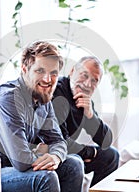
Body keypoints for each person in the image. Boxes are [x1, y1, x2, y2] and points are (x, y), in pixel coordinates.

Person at [0, 41, 84, 192]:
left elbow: (58, 141)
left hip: (11, 167)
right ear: (24, 69)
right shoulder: (9, 98)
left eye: (53, 73)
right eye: (40, 71)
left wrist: (55, 157)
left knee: (74, 165)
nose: (48, 79)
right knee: (46, 177)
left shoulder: (43, 99)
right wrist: (45, 157)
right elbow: (21, 160)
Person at [53, 56, 119, 187]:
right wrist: (90, 152)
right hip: (52, 153)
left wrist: (90, 115)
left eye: (94, 81)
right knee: (75, 161)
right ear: (72, 71)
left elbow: (106, 141)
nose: (88, 84)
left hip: (69, 151)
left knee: (111, 155)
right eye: (84, 75)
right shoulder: (57, 93)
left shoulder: (84, 100)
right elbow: (59, 141)